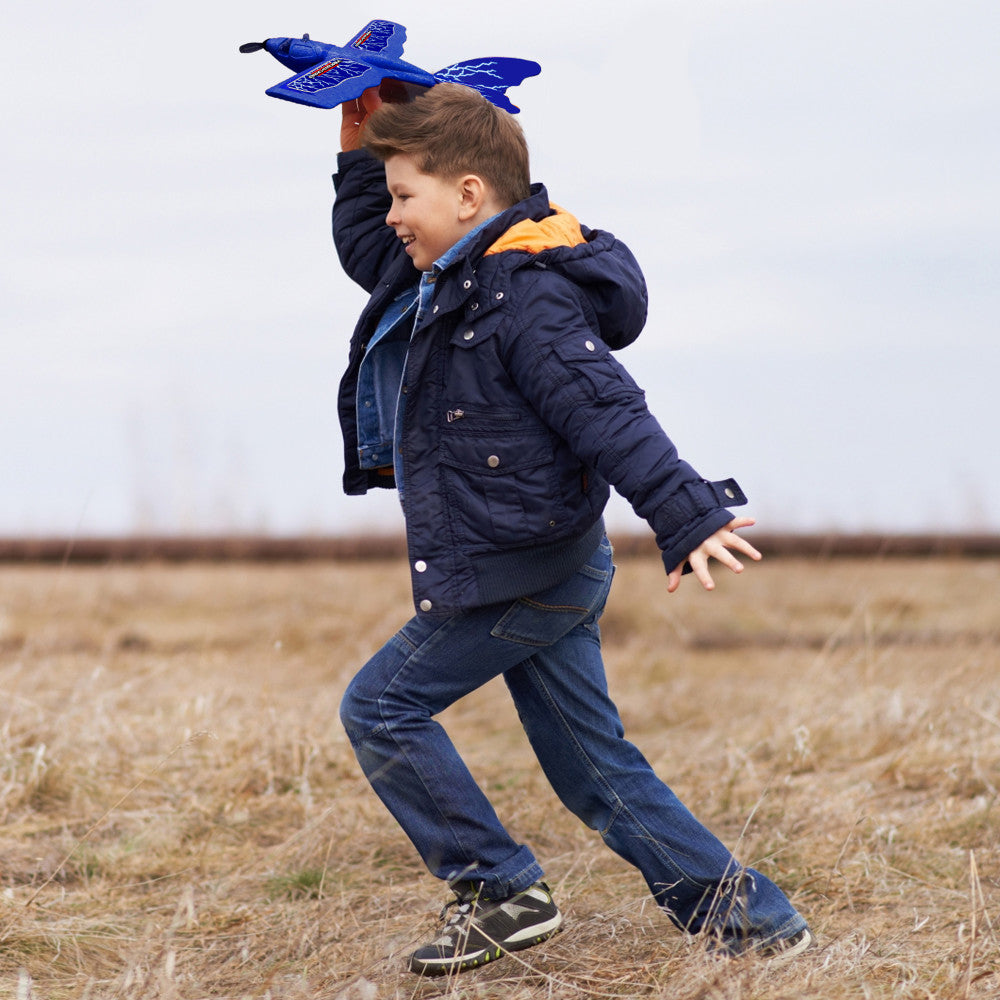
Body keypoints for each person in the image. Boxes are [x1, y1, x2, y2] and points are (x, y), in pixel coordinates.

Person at [331, 82, 811, 976]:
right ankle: (753, 921)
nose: (392, 217)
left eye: (403, 196)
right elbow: (370, 249)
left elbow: (607, 412)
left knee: (382, 706)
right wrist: (360, 156)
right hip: (551, 560)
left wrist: (685, 511)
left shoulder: (524, 296)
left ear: (468, 195)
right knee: (594, 767)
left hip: (522, 570)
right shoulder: (453, 273)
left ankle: (500, 890)